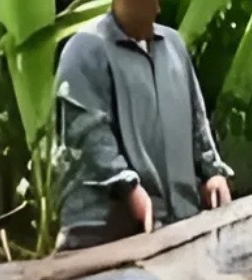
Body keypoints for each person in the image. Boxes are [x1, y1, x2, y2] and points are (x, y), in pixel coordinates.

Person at [53, 0, 235, 251]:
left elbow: (196, 118)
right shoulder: (85, 48)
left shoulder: (173, 46)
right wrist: (128, 187)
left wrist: (211, 172)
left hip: (178, 225)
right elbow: (88, 132)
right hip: (104, 235)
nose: (155, 7)